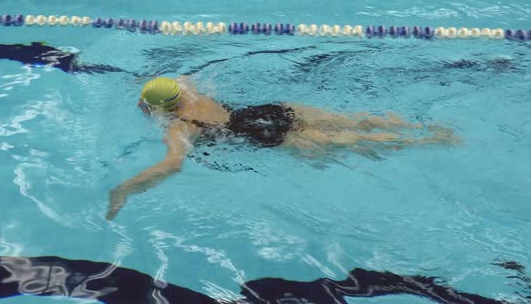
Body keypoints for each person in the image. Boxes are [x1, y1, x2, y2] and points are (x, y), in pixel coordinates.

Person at [106, 76, 458, 220]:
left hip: (267, 135)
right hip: (272, 110)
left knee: (357, 144)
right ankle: (419, 127)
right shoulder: (190, 88)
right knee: (356, 120)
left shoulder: (180, 125)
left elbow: (173, 165)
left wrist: (124, 188)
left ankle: (431, 141)